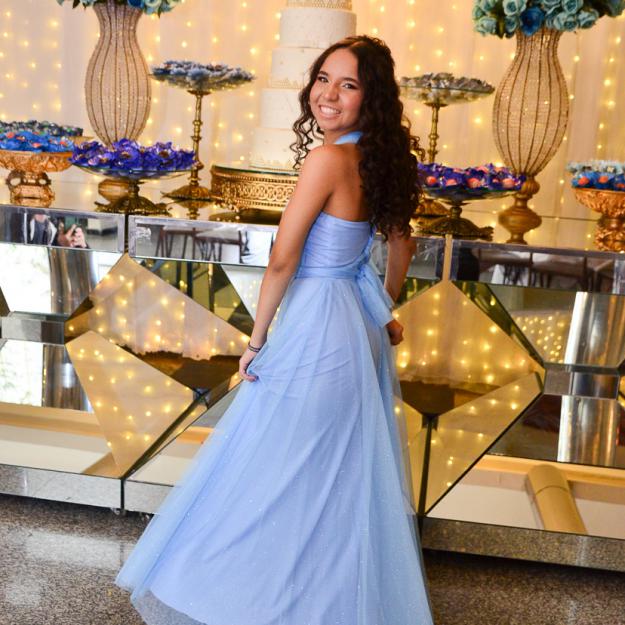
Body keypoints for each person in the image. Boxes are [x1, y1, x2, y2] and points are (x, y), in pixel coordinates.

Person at [116, 35, 434, 625]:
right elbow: (402, 244)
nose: (328, 94)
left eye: (348, 85)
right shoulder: (383, 160)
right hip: (354, 327)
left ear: (371, 98)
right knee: (334, 476)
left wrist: (256, 341)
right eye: (323, 79)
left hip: (317, 327)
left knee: (276, 469)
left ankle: (257, 601)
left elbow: (283, 260)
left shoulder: (327, 159)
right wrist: (383, 308)